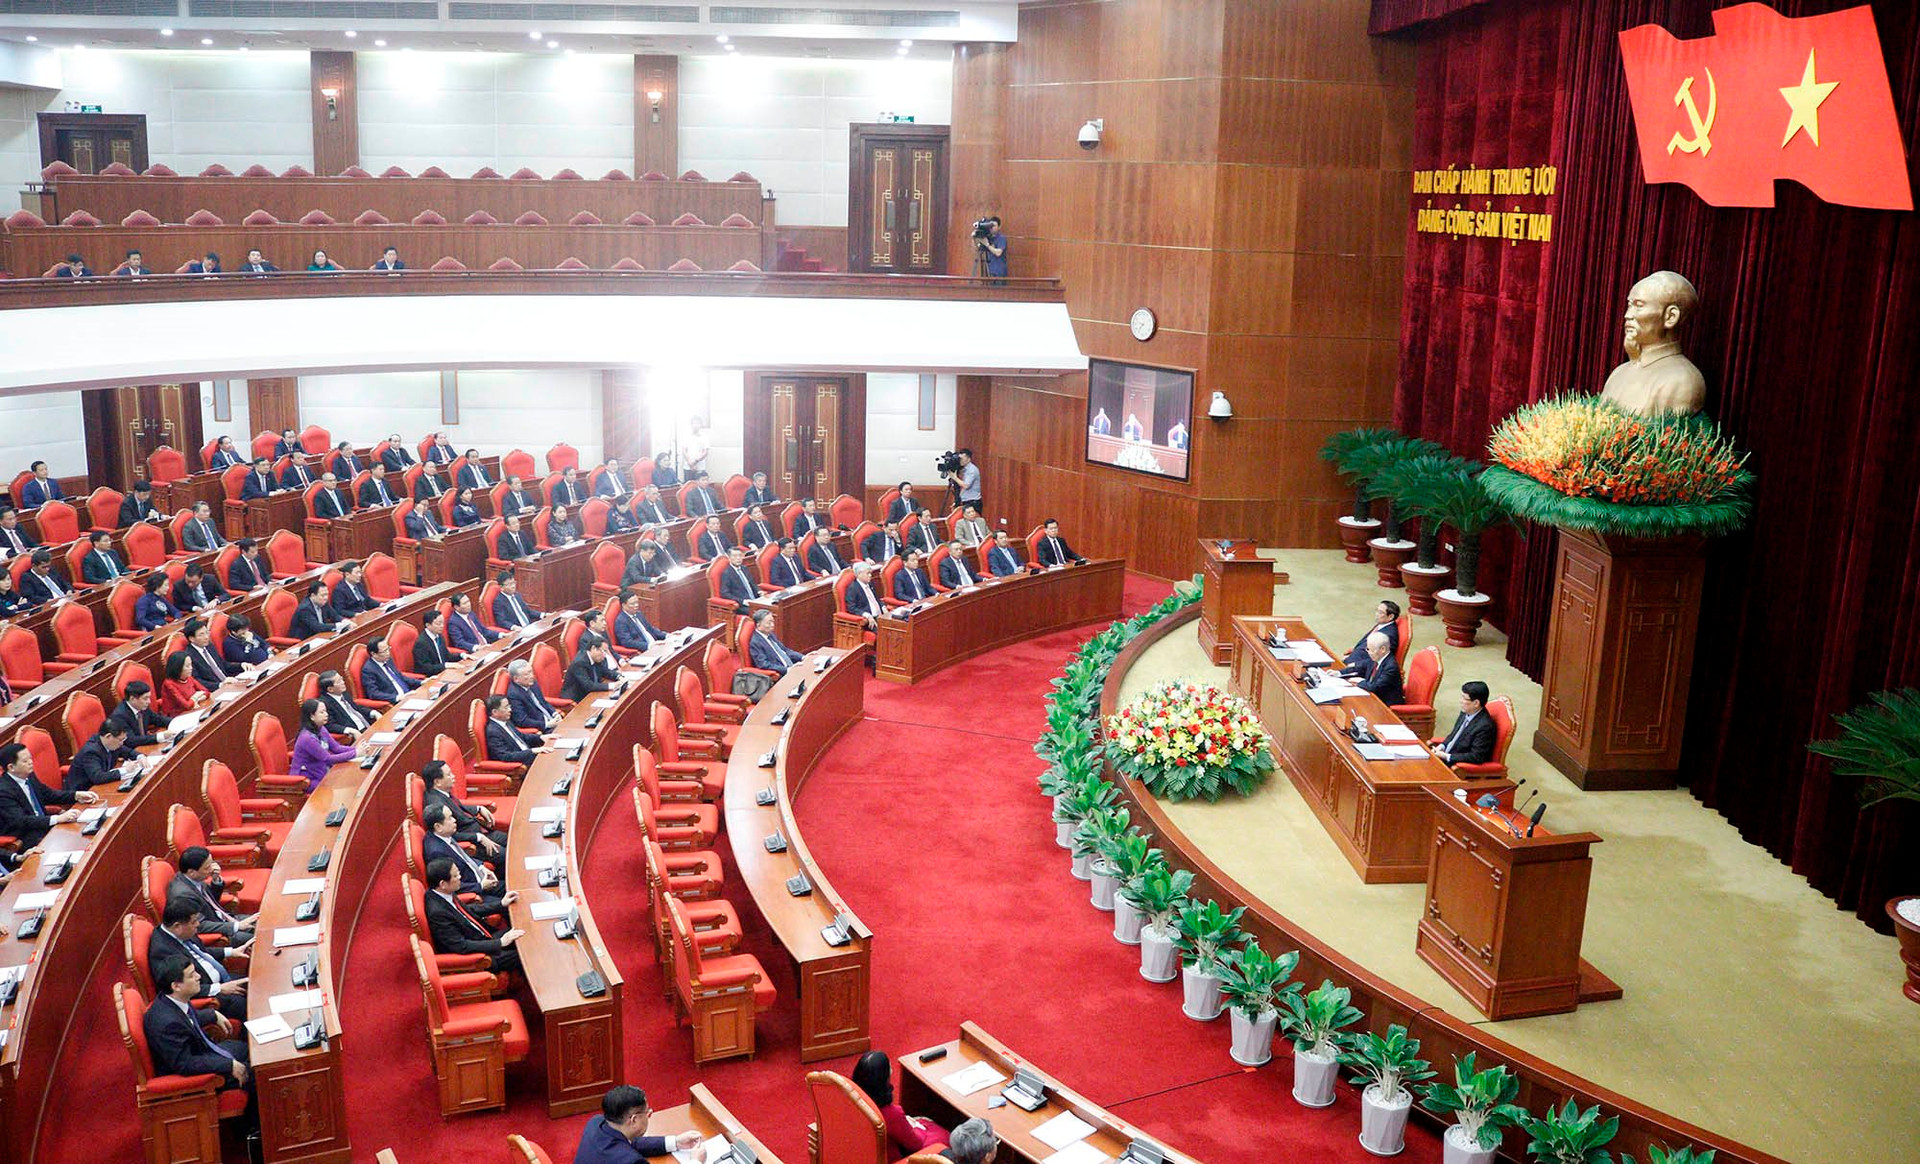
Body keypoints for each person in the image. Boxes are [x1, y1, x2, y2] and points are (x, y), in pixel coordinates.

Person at [1599, 270, 1706, 417]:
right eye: (1629, 305)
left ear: (1670, 316)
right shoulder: (1619, 373)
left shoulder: (1683, 381)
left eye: (1639, 305)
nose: (1628, 315)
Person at [143, 957, 251, 1093]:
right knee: (255, 1073)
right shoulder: (167, 1024)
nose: (198, 977)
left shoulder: (173, 999)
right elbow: (186, 1064)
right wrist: (228, 1065)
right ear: (176, 986)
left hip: (204, 1052)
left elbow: (187, 1019)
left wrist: (213, 1014)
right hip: (197, 1078)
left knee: (249, 1050)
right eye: (192, 975)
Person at [150, 899, 249, 1021]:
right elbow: (177, 988)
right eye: (194, 921)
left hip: (219, 979)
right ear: (177, 926)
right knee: (243, 1004)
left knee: (253, 981)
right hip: (209, 991)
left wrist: (231, 952)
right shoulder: (162, 952)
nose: (198, 924)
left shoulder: (182, 932)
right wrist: (219, 988)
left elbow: (201, 952)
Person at [422, 856, 522, 975]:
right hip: (481, 955)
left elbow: (468, 910)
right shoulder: (437, 913)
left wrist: (501, 904)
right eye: (455, 876)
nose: (460, 878)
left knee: (524, 933)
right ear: (442, 883)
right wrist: (500, 942)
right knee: (524, 954)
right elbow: (460, 945)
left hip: (485, 936)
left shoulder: (443, 893)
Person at [851, 1050, 948, 1157]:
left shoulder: (850, 1097)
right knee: (944, 1137)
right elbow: (915, 1144)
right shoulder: (891, 1114)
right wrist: (916, 1126)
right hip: (890, 1157)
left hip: (861, 1151)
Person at [0, 740, 97, 847]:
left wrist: (76, 795)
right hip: (25, 835)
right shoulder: (3, 791)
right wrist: (57, 819)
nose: (31, 762)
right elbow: (21, 821)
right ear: (11, 767)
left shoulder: (29, 776)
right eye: (25, 761)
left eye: (30, 758)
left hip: (42, 824)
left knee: (87, 833)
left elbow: (48, 795)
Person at [574, 1085, 704, 1164]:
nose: (649, 1114)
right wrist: (695, 1161)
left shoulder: (596, 1123)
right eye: (647, 1112)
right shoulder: (631, 1161)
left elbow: (630, 1142)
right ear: (634, 1120)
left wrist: (676, 1142)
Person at [422, 759, 504, 866]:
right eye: (449, 775)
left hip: (479, 831)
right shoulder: (437, 803)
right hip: (473, 842)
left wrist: (478, 808)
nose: (453, 776)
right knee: (504, 855)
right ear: (437, 782)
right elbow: (449, 835)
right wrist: (478, 837)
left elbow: (457, 806)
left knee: (510, 840)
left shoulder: (440, 792)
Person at [171, 846, 255, 946]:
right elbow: (200, 925)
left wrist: (216, 880)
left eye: (212, 864)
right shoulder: (183, 896)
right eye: (207, 868)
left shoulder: (191, 878)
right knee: (262, 937)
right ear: (191, 872)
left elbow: (211, 901)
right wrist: (237, 926)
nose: (212, 869)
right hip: (220, 933)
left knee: (263, 923)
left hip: (225, 919)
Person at [291, 699, 358, 792]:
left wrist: (357, 749)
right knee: (341, 785)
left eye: (325, 711)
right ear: (312, 716)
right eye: (322, 712)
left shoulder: (321, 728)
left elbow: (336, 748)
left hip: (320, 771)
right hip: (307, 779)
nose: (326, 714)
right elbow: (328, 759)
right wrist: (356, 753)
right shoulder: (307, 738)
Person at [1433, 681, 1497, 767]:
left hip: (1455, 766)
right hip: (1443, 759)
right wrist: (1441, 746)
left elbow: (1476, 756)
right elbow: (1453, 735)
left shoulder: (1485, 726)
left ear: (1476, 703)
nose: (1460, 701)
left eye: (1464, 698)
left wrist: (1446, 756)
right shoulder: (1465, 712)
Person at [68, 720, 140, 791]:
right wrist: (125, 770)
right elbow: (98, 777)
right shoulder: (91, 752)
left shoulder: (110, 743)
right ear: (108, 736)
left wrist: (140, 757)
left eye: (124, 739)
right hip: (83, 793)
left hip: (100, 787)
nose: (122, 743)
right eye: (120, 740)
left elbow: (128, 752)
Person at [484, 694, 547, 765]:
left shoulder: (505, 720)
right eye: (506, 707)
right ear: (494, 712)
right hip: (523, 763)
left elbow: (521, 736)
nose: (510, 710)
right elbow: (505, 756)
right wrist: (532, 751)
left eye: (509, 706)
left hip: (529, 756)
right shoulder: (493, 732)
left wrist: (541, 737)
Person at [316, 671, 375, 742]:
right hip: (357, 734)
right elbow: (330, 725)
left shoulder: (342, 692)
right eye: (339, 681)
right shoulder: (324, 704)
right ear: (330, 689)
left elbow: (356, 708)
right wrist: (350, 730)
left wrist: (373, 712)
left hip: (368, 727)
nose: (343, 682)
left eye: (341, 679)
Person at [1343, 600, 1401, 670]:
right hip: (1351, 660)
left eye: (1380, 612)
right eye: (1377, 610)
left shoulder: (1388, 636)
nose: (1376, 614)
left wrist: (1355, 664)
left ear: (1391, 616)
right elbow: (1364, 644)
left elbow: (1379, 660)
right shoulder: (1382, 625)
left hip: (1359, 668)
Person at [181, 619, 238, 688]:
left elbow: (224, 665)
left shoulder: (209, 646)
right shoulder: (189, 656)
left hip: (229, 682)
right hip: (215, 690)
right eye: (201, 635)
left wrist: (242, 665)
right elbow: (197, 681)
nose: (206, 637)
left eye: (206, 632)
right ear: (191, 638)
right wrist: (220, 685)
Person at [506, 660, 560, 732]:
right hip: (543, 729)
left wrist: (554, 713)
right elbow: (522, 721)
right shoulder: (513, 695)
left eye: (531, 671)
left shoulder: (532, 683)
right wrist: (547, 724)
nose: (531, 676)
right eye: (526, 674)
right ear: (516, 679)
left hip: (552, 721)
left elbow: (543, 702)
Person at [1352, 631, 1404, 706]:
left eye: (1372, 650)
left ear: (1382, 649)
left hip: (1386, 706)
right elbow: (1359, 667)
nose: (1369, 653)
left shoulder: (1391, 667)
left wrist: (1359, 681)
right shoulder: (1377, 658)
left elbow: (1374, 687)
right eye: (1368, 649)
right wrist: (1339, 673)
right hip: (1373, 698)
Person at [746, 609, 805, 675]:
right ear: (758, 625)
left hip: (791, 667)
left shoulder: (770, 634)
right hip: (781, 674)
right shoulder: (756, 643)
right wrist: (787, 670)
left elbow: (785, 650)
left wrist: (803, 657)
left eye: (773, 622)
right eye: (769, 623)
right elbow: (764, 665)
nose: (772, 625)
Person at [359, 637, 416, 705]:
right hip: (396, 702)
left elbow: (400, 677)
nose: (388, 653)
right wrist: (397, 697)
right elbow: (374, 693)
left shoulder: (387, 659)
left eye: (388, 649)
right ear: (374, 654)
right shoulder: (368, 670)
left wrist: (421, 682)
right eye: (384, 651)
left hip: (409, 695)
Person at [562, 637, 616, 702]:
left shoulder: (597, 658)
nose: (604, 655)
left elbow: (606, 672)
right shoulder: (579, 663)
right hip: (576, 699)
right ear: (593, 648)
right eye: (603, 651)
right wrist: (613, 685)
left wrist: (619, 677)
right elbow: (588, 686)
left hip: (590, 694)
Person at [412, 607, 462, 677]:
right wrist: (445, 666)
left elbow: (446, 656)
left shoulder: (439, 636)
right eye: (438, 624)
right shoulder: (421, 643)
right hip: (432, 677)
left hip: (444, 672)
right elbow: (425, 668)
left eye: (442, 623)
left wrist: (462, 656)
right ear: (428, 625)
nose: (442, 626)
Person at [612, 590, 667, 654]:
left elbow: (650, 629)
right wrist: (649, 645)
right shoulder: (621, 621)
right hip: (645, 650)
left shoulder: (638, 614)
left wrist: (667, 635)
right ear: (624, 605)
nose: (636, 605)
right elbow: (627, 642)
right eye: (632, 604)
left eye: (637, 602)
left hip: (656, 645)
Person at [158, 650, 210, 717]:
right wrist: (195, 697)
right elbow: (186, 706)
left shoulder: (188, 678)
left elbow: (206, 692)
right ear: (177, 668)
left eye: (191, 665)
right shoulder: (169, 684)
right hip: (177, 716)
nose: (191, 668)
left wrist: (196, 700)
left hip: (192, 711)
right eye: (187, 666)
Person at [842, 562, 886, 630]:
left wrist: (883, 607)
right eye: (867, 573)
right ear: (859, 574)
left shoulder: (870, 584)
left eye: (870, 573)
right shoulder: (853, 588)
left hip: (880, 616)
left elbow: (877, 599)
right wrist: (866, 615)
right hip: (868, 621)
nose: (870, 575)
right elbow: (852, 608)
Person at [715, 545, 760, 611]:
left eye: (740, 555)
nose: (738, 558)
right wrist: (743, 601)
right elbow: (725, 594)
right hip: (741, 605)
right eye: (735, 556)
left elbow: (752, 583)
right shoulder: (727, 573)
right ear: (729, 558)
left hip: (754, 600)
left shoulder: (744, 568)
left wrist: (759, 591)